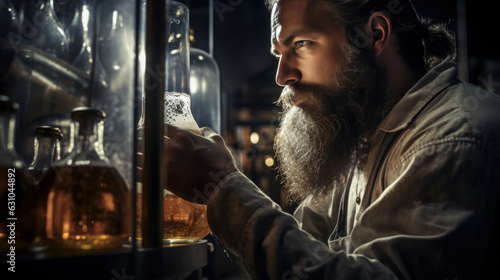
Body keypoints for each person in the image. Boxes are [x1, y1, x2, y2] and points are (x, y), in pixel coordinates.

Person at [159, 0, 500, 278]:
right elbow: (307, 252)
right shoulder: (358, 132)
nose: (282, 76)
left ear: (376, 34)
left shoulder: (453, 137)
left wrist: (222, 188)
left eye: (301, 44)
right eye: (279, 52)